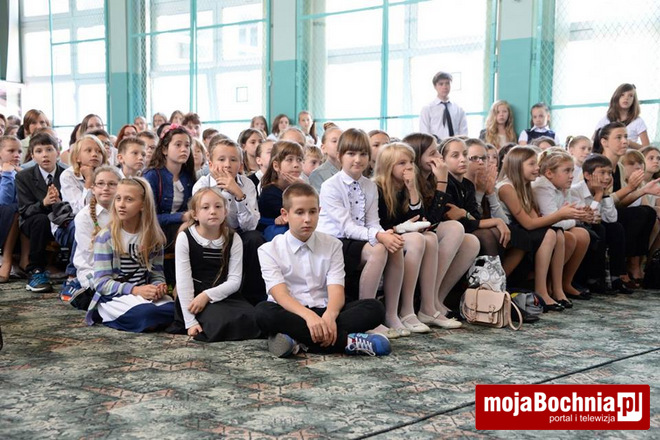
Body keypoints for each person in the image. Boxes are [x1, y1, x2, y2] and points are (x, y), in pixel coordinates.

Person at [255, 182, 391, 357]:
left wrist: (330, 316)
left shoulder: (333, 245)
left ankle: (298, 340)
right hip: (292, 312)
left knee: (375, 308)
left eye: (312, 212)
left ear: (319, 211)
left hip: (325, 310)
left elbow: (336, 290)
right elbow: (280, 295)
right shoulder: (268, 250)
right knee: (263, 312)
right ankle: (347, 342)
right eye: (299, 212)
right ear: (285, 214)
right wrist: (309, 317)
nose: (307, 219)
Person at [317, 128, 407, 339]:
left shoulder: (370, 186)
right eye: (351, 154)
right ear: (340, 155)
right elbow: (347, 227)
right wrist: (379, 237)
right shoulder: (330, 186)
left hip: (357, 238)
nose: (357, 160)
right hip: (334, 240)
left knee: (394, 246)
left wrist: (386, 235)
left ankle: (391, 314)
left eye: (363, 154)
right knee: (379, 250)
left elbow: (373, 222)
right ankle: (367, 318)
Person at [402, 132, 478, 325]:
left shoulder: (432, 177)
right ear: (417, 157)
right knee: (454, 228)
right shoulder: (412, 179)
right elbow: (428, 221)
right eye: (433, 153)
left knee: (471, 241)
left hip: (426, 231)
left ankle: (436, 299)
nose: (438, 157)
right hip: (408, 232)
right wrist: (442, 181)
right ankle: (428, 303)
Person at [497, 146, 583, 311]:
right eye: (532, 164)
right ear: (517, 166)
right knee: (550, 233)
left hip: (520, 229)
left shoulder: (525, 186)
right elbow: (528, 223)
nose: (537, 168)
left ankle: (557, 289)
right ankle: (541, 290)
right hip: (508, 230)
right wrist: (560, 215)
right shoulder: (506, 188)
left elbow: (535, 219)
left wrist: (563, 215)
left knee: (558, 233)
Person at [171, 187, 261, 341]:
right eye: (205, 207)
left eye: (218, 206)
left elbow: (234, 281)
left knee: (253, 318)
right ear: (195, 214)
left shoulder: (233, 238)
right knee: (219, 322)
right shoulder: (185, 238)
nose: (213, 211)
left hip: (223, 293)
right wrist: (190, 322)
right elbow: (184, 282)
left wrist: (207, 295)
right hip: (194, 297)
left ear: (225, 212)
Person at [86, 177, 174, 332]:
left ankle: (151, 319)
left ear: (143, 205)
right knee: (146, 314)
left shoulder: (153, 237)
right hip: (115, 297)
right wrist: (135, 290)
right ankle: (117, 316)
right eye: (118, 198)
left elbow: (156, 274)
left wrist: (157, 287)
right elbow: (101, 283)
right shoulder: (106, 237)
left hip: (143, 296)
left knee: (178, 309)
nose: (121, 204)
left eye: (129, 199)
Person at [192, 136, 266, 305]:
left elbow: (250, 226)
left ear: (240, 165)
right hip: (211, 235)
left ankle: (253, 297)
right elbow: (202, 221)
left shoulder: (247, 184)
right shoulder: (202, 185)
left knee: (255, 238)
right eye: (221, 159)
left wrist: (238, 194)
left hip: (238, 234)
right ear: (211, 164)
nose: (227, 165)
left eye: (233, 160)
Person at [373, 143, 436, 334]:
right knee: (417, 240)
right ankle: (404, 309)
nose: (408, 167)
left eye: (410, 162)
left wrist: (413, 190)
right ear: (388, 166)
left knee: (431, 238)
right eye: (401, 163)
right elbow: (379, 224)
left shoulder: (405, 186)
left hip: (401, 232)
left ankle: (424, 307)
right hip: (382, 236)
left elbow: (420, 219)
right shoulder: (377, 188)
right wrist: (400, 228)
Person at [593, 122, 659, 286]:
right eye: (619, 137)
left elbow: (620, 203)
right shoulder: (597, 165)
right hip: (596, 214)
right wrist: (629, 188)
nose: (625, 141)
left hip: (611, 212)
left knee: (648, 212)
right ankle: (624, 267)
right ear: (604, 142)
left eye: (626, 137)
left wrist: (642, 191)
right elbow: (604, 201)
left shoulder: (620, 168)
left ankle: (634, 263)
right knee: (639, 214)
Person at [532, 148, 591, 302]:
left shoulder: (563, 186)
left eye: (572, 170)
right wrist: (576, 218)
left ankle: (565, 283)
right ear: (549, 173)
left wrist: (579, 214)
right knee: (569, 237)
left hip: (556, 227)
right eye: (567, 171)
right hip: (545, 230)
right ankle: (550, 285)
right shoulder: (543, 187)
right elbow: (553, 221)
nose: (572, 176)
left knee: (583, 234)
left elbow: (567, 212)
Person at [569, 154, 631, 294]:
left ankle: (615, 277)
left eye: (609, 173)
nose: (607, 177)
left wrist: (605, 194)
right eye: (602, 173)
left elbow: (612, 219)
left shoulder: (602, 191)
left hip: (595, 224)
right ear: (587, 175)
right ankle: (594, 279)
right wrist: (598, 195)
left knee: (616, 228)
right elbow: (589, 218)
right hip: (580, 226)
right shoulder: (575, 191)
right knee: (599, 228)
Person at [441, 137, 511, 257]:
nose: (462, 159)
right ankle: (493, 269)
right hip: (449, 231)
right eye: (455, 156)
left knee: (498, 233)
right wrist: (466, 215)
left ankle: (495, 269)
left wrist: (464, 213)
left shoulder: (467, 185)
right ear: (443, 160)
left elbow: (474, 217)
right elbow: (457, 219)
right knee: (486, 235)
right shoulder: (445, 183)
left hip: (465, 228)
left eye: (465, 154)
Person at [143, 126, 196, 284]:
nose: (184, 149)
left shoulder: (188, 176)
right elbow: (148, 217)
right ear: (165, 149)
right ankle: (179, 280)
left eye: (187, 145)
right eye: (178, 145)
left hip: (182, 226)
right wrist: (181, 217)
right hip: (156, 229)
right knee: (189, 228)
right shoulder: (152, 175)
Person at [16, 132, 65, 292]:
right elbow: (25, 211)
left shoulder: (67, 174)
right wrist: (44, 203)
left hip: (62, 217)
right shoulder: (24, 176)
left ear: (57, 152)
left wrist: (59, 202)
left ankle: (75, 268)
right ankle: (35, 271)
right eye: (39, 151)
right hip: (34, 221)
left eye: (49, 149)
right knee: (41, 220)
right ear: (32, 156)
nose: (45, 155)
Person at [66, 166, 122, 301]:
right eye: (100, 183)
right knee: (111, 292)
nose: (106, 188)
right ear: (93, 188)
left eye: (112, 184)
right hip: (93, 269)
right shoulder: (84, 217)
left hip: (122, 266)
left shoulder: (125, 212)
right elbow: (89, 256)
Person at [258, 141, 304, 240]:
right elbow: (299, 213)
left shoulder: (301, 183)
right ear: (276, 166)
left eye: (299, 160)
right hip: (274, 232)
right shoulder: (269, 191)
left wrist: (302, 187)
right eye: (289, 160)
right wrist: (301, 189)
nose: (296, 164)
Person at [595, 83, 649, 149]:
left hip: (629, 154)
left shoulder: (638, 121)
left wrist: (628, 142)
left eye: (630, 96)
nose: (626, 98)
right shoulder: (606, 119)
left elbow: (647, 149)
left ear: (634, 100)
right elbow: (594, 140)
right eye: (622, 95)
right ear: (616, 97)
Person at [0, 135, 23, 283]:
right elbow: (4, 201)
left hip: (16, 219)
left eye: (19, 151)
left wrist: (19, 175)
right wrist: (7, 174)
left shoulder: (21, 172)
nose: (16, 155)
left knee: (16, 209)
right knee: (12, 209)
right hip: (3, 215)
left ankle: (9, 258)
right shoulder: (8, 173)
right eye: (11, 151)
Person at [419, 71, 468, 139]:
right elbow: (425, 132)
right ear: (435, 86)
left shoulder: (459, 109)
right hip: (436, 144)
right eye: (441, 84)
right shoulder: (427, 109)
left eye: (447, 83)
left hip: (456, 144)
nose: (444, 87)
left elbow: (464, 132)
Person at [309, 122, 342, 193]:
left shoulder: (351, 171)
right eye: (334, 141)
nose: (339, 144)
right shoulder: (317, 174)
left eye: (342, 141)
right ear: (323, 148)